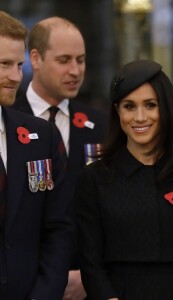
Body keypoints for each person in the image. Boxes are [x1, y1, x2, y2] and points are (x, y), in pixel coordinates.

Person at [75, 59, 173, 300]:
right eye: (129, 106)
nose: (140, 117)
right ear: (117, 111)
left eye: (150, 105)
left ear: (165, 109)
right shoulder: (94, 179)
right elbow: (91, 264)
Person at [12, 16, 108, 300]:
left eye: (81, 60)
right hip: (25, 284)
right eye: (64, 60)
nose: (76, 70)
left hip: (88, 284)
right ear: (36, 58)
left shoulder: (100, 126)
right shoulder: (10, 120)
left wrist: (92, 275)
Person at [0, 11, 72, 300]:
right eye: (4, 64)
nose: (16, 77)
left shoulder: (41, 137)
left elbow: (58, 227)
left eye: (19, 65)